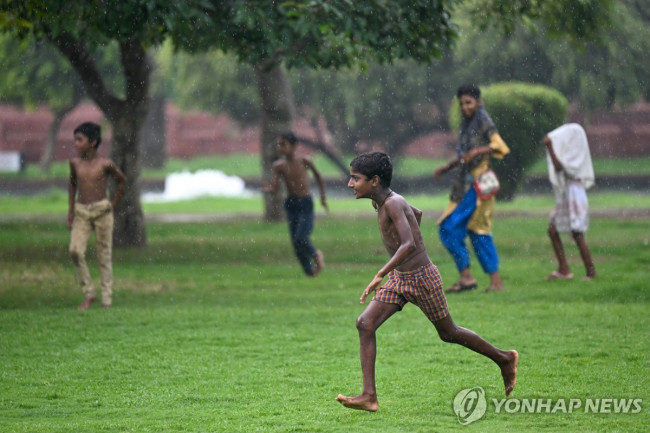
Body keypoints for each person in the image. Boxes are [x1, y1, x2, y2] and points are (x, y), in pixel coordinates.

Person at [336, 151, 518, 412]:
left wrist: (381, 272)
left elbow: (409, 242)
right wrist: (398, 264)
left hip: (422, 278)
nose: (350, 184)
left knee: (449, 333)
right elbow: (416, 214)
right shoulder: (382, 201)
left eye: (355, 179)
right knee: (365, 323)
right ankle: (369, 396)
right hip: (401, 278)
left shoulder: (393, 203)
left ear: (374, 180)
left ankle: (504, 359)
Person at [434, 84, 510, 293]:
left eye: (468, 102)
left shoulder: (483, 119)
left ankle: (486, 280)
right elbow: (463, 156)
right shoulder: (467, 123)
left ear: (478, 102)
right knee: (473, 231)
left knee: (454, 228)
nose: (465, 107)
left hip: (478, 185)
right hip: (465, 185)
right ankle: (475, 279)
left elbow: (499, 146)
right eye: (462, 104)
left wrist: (478, 150)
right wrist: (447, 167)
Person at [68, 122, 126, 310]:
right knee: (75, 251)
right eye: (75, 139)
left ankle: (106, 299)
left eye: (80, 140)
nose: (76, 143)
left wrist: (112, 204)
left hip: (102, 211)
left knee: (104, 255)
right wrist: (70, 212)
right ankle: (89, 293)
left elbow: (121, 180)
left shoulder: (105, 164)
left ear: (92, 142)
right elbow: (72, 185)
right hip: (82, 212)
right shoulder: (75, 163)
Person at [263, 132, 327, 277]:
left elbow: (318, 176)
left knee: (301, 237)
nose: (280, 147)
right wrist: (269, 189)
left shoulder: (304, 160)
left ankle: (316, 255)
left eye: (283, 144)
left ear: (293, 146)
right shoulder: (278, 166)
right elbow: (275, 187)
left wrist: (322, 197)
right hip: (291, 204)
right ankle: (309, 271)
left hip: (305, 203)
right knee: (295, 242)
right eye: (279, 144)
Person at [542, 123, 597, 281]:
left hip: (574, 193)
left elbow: (559, 167)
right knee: (553, 229)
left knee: (577, 233)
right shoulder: (571, 153)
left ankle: (591, 271)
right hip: (567, 193)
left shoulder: (575, 156)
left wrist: (551, 147)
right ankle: (563, 269)